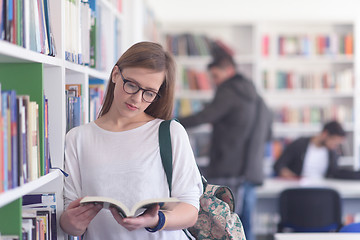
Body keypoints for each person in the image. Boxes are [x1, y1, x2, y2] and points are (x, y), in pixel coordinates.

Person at [59, 42, 203, 240]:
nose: (137, 99)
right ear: (116, 74)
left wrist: (155, 221)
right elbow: (71, 222)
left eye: (149, 93)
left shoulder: (171, 133)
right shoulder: (78, 138)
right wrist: (70, 223)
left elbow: (190, 210)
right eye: (132, 85)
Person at [178, 50, 272, 240]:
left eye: (216, 76)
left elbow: (206, 116)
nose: (214, 81)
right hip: (250, 171)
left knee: (225, 227)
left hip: (230, 170)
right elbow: (268, 132)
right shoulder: (255, 95)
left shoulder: (229, 90)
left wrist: (171, 123)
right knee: (244, 227)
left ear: (229, 70)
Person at [274, 120, 360, 179]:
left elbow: (335, 173)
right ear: (325, 134)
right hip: (299, 189)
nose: (335, 146)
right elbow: (278, 166)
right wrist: (294, 178)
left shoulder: (332, 153)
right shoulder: (299, 144)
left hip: (322, 191)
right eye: (334, 142)